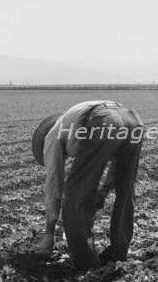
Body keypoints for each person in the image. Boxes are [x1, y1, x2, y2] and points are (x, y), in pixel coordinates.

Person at [31, 101, 144, 270]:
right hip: (133, 120)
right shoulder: (72, 123)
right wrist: (103, 191)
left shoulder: (52, 139)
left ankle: (86, 262)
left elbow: (54, 185)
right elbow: (117, 163)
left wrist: (49, 232)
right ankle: (117, 253)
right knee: (126, 189)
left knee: (74, 192)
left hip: (106, 122)